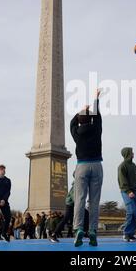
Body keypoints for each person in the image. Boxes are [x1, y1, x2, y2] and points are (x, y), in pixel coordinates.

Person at [70, 89, 103, 247]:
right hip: (96, 165)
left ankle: (78, 229)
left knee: (79, 200)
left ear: (79, 120)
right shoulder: (96, 129)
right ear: (90, 120)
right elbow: (98, 116)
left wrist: (80, 112)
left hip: (81, 166)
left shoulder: (76, 132)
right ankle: (93, 231)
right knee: (94, 201)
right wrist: (96, 99)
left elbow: (72, 123)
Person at [49, 173, 90, 243]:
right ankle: (53, 234)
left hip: (75, 203)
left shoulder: (81, 184)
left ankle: (85, 232)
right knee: (65, 219)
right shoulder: (77, 185)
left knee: (86, 213)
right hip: (71, 204)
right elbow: (75, 197)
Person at [117, 147, 136, 242]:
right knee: (131, 212)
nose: (133, 153)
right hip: (127, 192)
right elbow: (122, 180)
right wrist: (128, 191)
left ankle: (131, 234)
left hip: (134, 192)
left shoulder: (133, 165)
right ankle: (126, 233)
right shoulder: (122, 166)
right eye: (131, 152)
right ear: (127, 154)